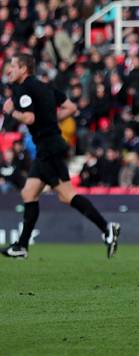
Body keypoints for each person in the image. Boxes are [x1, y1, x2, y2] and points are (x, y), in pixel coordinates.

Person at [1, 54, 120, 259]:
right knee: (29, 193)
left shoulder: (24, 89)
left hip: (48, 148)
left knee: (66, 195)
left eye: (12, 66)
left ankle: (106, 228)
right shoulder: (44, 86)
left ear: (24, 69)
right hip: (50, 146)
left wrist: (12, 112)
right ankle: (21, 246)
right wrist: (50, 119)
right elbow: (71, 108)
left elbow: (29, 117)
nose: (9, 70)